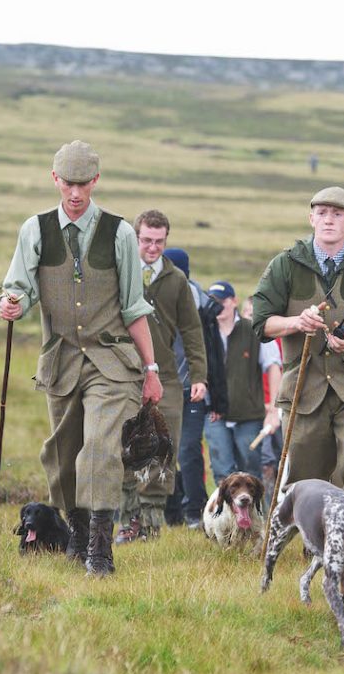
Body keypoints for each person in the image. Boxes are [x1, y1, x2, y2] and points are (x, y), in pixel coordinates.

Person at [0, 140, 162, 577]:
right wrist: (11, 301)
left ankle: (100, 552)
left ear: (96, 181)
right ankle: (78, 532)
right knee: (62, 454)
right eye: (68, 183)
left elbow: (134, 307)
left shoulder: (120, 232)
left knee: (101, 448)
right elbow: (19, 287)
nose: (75, 193)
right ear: (55, 180)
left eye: (84, 184)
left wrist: (151, 370)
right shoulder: (34, 230)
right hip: (61, 361)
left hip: (112, 363)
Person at [252, 186, 344, 519]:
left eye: (337, 214)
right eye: (321, 213)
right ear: (311, 218)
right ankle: (312, 540)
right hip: (304, 387)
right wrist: (294, 322)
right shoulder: (285, 265)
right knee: (306, 472)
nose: (328, 220)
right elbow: (262, 323)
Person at [114, 211, 208, 544]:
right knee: (124, 450)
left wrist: (199, 375)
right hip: (122, 373)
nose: (153, 247)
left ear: (166, 241)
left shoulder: (176, 280)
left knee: (162, 452)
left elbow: (192, 331)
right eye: (146, 240)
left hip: (166, 377)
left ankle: (151, 526)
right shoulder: (119, 272)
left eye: (159, 242)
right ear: (135, 238)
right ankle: (128, 522)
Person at [160, 247, 227, 529]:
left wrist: (218, 400)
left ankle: (194, 513)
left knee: (187, 450)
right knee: (160, 452)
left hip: (192, 391)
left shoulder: (200, 304)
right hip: (159, 389)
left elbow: (213, 354)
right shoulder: (154, 299)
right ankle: (166, 510)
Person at [205, 280, 282, 486]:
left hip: (249, 415)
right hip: (214, 413)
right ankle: (225, 517)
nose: (217, 306)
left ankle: (254, 517)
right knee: (222, 472)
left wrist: (274, 410)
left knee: (250, 472)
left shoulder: (253, 330)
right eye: (212, 301)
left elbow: (274, 366)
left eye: (222, 301)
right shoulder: (204, 331)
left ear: (234, 302)